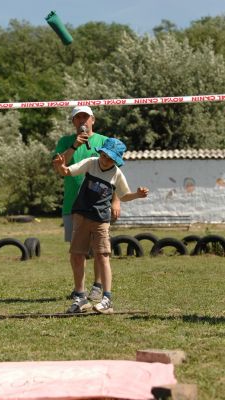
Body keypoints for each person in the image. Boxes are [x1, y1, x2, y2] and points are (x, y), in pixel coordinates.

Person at [54, 137, 149, 314]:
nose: (105, 160)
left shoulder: (117, 174)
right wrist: (60, 166)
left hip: (101, 220)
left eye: (110, 158)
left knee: (102, 256)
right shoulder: (91, 163)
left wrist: (137, 194)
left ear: (116, 160)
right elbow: (67, 172)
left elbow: (124, 195)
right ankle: (80, 298)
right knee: (76, 256)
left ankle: (107, 299)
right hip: (81, 216)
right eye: (104, 155)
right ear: (101, 152)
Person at [53, 106, 120, 302]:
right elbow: (58, 167)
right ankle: (79, 291)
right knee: (77, 251)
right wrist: (74, 146)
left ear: (93, 120)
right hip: (73, 205)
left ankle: (98, 286)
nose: (82, 121)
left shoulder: (104, 141)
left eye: (85, 117)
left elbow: (114, 173)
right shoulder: (65, 142)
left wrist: (116, 200)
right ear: (73, 122)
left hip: (99, 205)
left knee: (98, 251)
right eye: (77, 118)